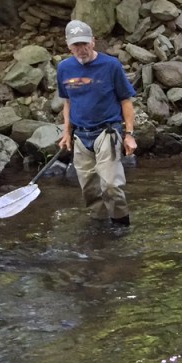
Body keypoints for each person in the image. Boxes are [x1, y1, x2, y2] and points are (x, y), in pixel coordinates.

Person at [57, 19, 137, 226]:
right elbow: (67, 102)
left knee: (111, 185)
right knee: (89, 189)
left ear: (93, 42)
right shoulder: (64, 69)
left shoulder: (111, 66)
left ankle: (121, 227)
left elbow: (125, 101)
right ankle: (100, 228)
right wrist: (67, 133)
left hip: (107, 132)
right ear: (68, 45)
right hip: (81, 136)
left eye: (84, 43)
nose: (81, 49)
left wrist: (129, 134)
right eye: (76, 45)